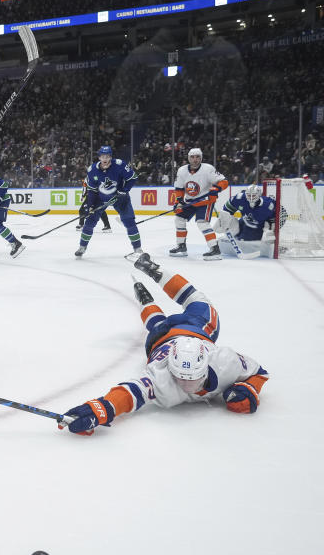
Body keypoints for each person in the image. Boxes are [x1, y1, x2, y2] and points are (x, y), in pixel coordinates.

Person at [58, 252, 269, 435]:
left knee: (175, 315)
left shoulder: (224, 361)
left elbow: (260, 372)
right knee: (181, 312)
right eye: (181, 379)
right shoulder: (163, 377)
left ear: (206, 366)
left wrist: (248, 387)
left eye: (192, 380)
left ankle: (150, 283)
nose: (187, 387)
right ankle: (149, 287)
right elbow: (131, 392)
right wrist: (101, 408)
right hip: (182, 332)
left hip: (177, 334)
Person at [76, 146, 141, 258]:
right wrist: (90, 206)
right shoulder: (92, 170)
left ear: (111, 157)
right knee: (89, 223)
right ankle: (82, 247)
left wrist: (124, 190)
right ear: (99, 157)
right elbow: (91, 191)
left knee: (129, 222)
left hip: (120, 198)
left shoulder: (120, 165)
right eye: (102, 156)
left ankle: (138, 249)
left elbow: (133, 178)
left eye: (107, 156)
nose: (105, 159)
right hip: (100, 199)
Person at [170, 148, 229, 260]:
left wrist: (217, 188)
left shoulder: (208, 169)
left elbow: (224, 181)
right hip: (190, 201)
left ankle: (215, 249)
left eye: (198, 157)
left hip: (205, 201)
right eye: (192, 157)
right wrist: (179, 201)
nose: (195, 159)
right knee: (179, 219)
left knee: (202, 223)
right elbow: (179, 188)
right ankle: (181, 246)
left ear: (201, 158)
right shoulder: (182, 170)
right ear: (188, 158)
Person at [215, 184, 277, 258]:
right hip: (241, 226)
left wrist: (272, 232)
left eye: (253, 195)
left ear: (259, 195)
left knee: (266, 236)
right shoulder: (240, 198)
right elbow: (227, 209)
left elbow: (274, 220)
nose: (251, 198)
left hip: (256, 232)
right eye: (248, 195)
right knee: (225, 219)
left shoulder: (268, 205)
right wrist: (223, 220)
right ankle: (225, 241)